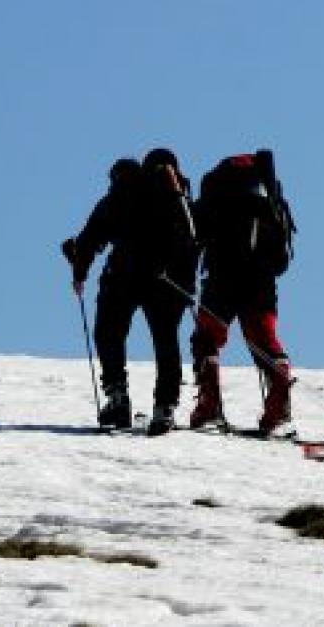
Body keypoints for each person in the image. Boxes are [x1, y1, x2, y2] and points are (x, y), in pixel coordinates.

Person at [61, 150, 197, 435]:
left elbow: (91, 237)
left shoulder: (122, 191)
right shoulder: (177, 195)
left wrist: (79, 272)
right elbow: (191, 240)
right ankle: (165, 408)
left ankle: (117, 397)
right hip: (166, 279)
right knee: (165, 340)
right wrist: (186, 287)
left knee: (109, 333)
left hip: (123, 275)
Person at [185, 150, 297, 435]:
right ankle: (279, 400)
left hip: (221, 278)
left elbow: (194, 234)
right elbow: (282, 259)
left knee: (206, 338)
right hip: (262, 281)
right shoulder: (270, 198)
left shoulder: (216, 192)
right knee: (264, 340)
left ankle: (209, 404)